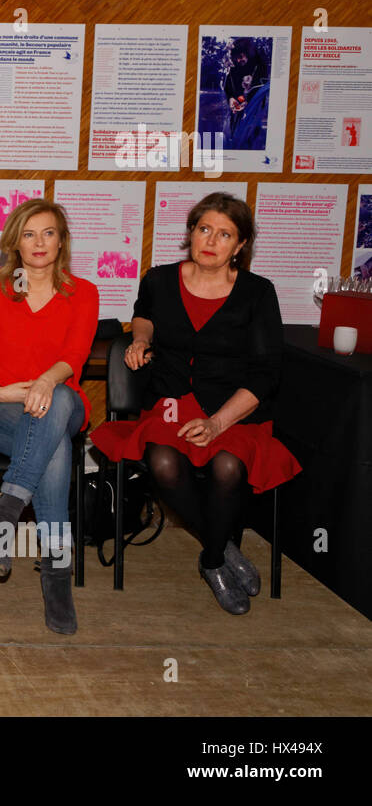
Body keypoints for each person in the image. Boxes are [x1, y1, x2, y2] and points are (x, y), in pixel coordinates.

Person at [91, 192, 300, 615]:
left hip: (233, 410)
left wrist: (218, 423)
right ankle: (224, 549)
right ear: (191, 233)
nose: (211, 240)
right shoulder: (160, 279)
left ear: (240, 246)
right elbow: (144, 313)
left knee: (227, 466)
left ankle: (210, 560)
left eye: (225, 234)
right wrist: (141, 339)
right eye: (204, 229)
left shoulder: (258, 294)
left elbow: (265, 374)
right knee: (164, 462)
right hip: (170, 402)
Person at [0, 199, 99, 634]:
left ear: (62, 240)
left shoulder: (83, 292)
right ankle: (58, 580)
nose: (39, 243)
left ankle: (4, 521)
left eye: (49, 233)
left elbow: (73, 358)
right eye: (29, 233)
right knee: (54, 452)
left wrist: (44, 382)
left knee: (56, 403)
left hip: (59, 403)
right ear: (15, 242)